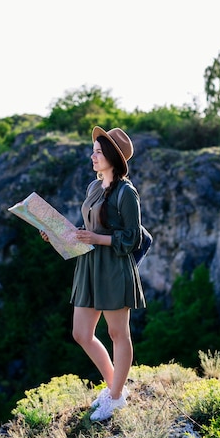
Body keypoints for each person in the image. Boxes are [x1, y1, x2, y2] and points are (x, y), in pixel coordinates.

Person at [41, 126, 145, 421]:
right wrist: (58, 234)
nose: (93, 156)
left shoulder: (127, 192)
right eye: (94, 151)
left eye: (98, 152)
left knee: (117, 333)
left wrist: (98, 239)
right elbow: (85, 229)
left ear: (112, 156)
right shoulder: (93, 187)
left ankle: (115, 396)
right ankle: (115, 387)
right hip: (89, 264)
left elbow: (132, 237)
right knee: (81, 333)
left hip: (113, 265)